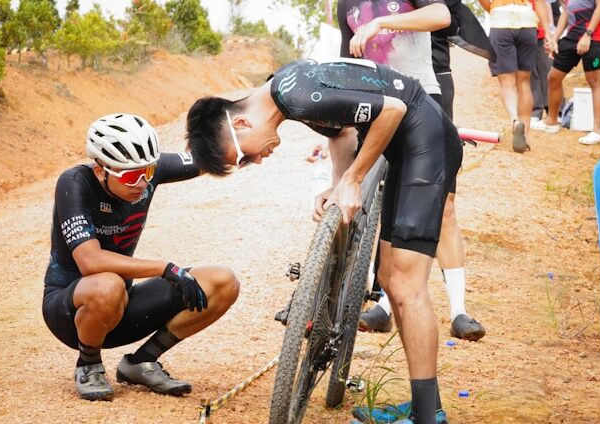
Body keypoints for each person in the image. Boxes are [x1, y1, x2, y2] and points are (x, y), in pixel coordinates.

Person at [186, 57, 460, 424]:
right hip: (411, 147)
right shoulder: (287, 94)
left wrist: (353, 180)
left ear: (241, 123)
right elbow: (342, 133)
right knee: (391, 280)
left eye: (243, 158)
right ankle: (426, 406)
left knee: (407, 286)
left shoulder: (296, 96)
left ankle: (428, 417)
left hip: (426, 143)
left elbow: (392, 109)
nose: (257, 161)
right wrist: (338, 183)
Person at [341, 0, 486, 343]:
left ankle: (459, 310)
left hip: (422, 104)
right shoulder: (347, 2)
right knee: (364, 202)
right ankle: (366, 299)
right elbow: (347, 64)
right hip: (375, 110)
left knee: (440, 208)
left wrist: (381, 22)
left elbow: (441, 16)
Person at [42, 114, 240, 401]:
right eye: (130, 176)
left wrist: (250, 142)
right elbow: (90, 262)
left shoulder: (143, 175)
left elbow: (211, 157)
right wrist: (165, 268)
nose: (142, 183)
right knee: (108, 284)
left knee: (223, 281)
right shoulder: (75, 183)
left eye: (147, 171)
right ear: (100, 170)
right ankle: (89, 364)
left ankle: (141, 362)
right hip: (70, 311)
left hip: (122, 304)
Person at [474, 0, 556, 153]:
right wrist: (547, 31)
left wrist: (493, 10)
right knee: (524, 82)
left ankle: (514, 120)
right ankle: (526, 132)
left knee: (507, 82)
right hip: (527, 24)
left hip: (501, 23)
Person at [542, 0, 600, 145]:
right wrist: (554, 37)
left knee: (594, 81)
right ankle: (552, 121)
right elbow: (567, 11)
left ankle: (597, 130)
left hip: (592, 37)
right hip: (571, 36)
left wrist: (588, 34)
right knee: (553, 77)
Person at [519, 0, 558, 129]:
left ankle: (554, 111)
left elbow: (547, 2)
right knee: (530, 72)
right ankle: (535, 111)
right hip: (523, 28)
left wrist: (551, 31)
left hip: (541, 29)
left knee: (547, 70)